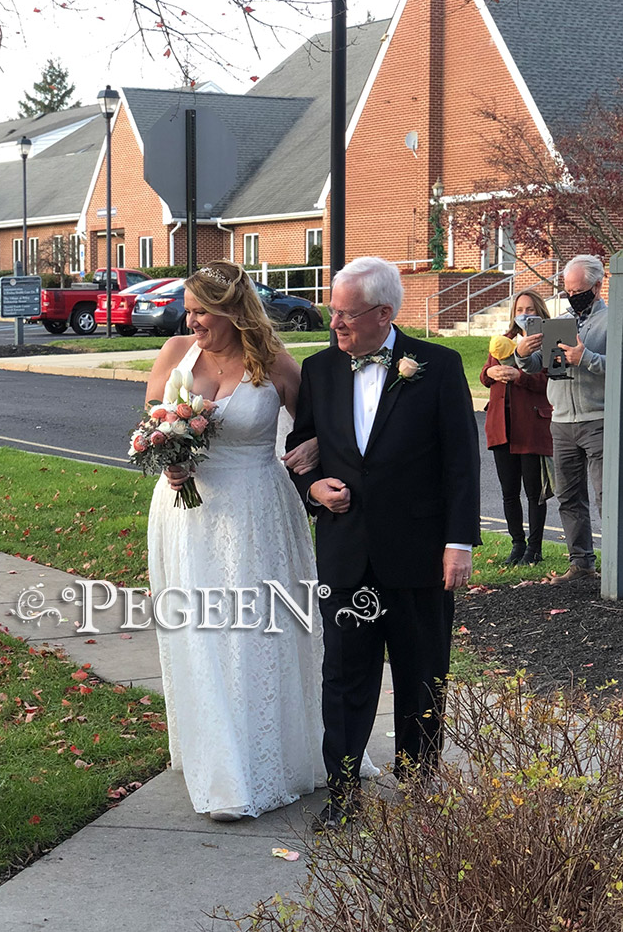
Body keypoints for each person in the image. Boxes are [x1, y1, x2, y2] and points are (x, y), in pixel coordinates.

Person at [146, 260, 358, 821]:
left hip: (257, 511)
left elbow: (322, 427)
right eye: (187, 310)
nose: (192, 322)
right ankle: (218, 761)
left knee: (255, 631)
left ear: (235, 310)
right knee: (200, 629)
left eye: (202, 312)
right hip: (185, 512)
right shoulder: (176, 354)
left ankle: (264, 757)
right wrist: (167, 455)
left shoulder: (275, 363)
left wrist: (312, 453)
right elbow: (152, 421)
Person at [287, 256, 480, 830]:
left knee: (423, 670)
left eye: (345, 315)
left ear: (384, 314)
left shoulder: (438, 367)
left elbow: (461, 465)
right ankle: (344, 790)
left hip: (420, 552)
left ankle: (420, 788)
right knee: (345, 674)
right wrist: (313, 487)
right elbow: (302, 447)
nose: (334, 324)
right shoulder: (319, 370)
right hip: (347, 551)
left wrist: (458, 542)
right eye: (332, 312)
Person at [515, 254, 607, 584]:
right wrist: (523, 354)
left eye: (578, 289)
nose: (572, 295)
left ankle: (615, 567)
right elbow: (541, 365)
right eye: (567, 289)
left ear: (598, 286)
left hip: (597, 419)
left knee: (605, 497)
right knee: (568, 496)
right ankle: (581, 564)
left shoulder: (613, 322)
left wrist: (587, 358)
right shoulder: (560, 321)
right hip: (562, 421)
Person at [479, 290, 553, 565]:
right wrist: (491, 372)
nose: (525, 314)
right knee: (509, 491)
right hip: (501, 424)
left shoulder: (549, 342)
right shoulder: (503, 342)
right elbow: (484, 376)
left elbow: (549, 382)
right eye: (520, 309)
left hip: (531, 423)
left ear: (540, 312)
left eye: (530, 309)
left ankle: (535, 548)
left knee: (534, 492)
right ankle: (517, 545)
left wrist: (519, 376)